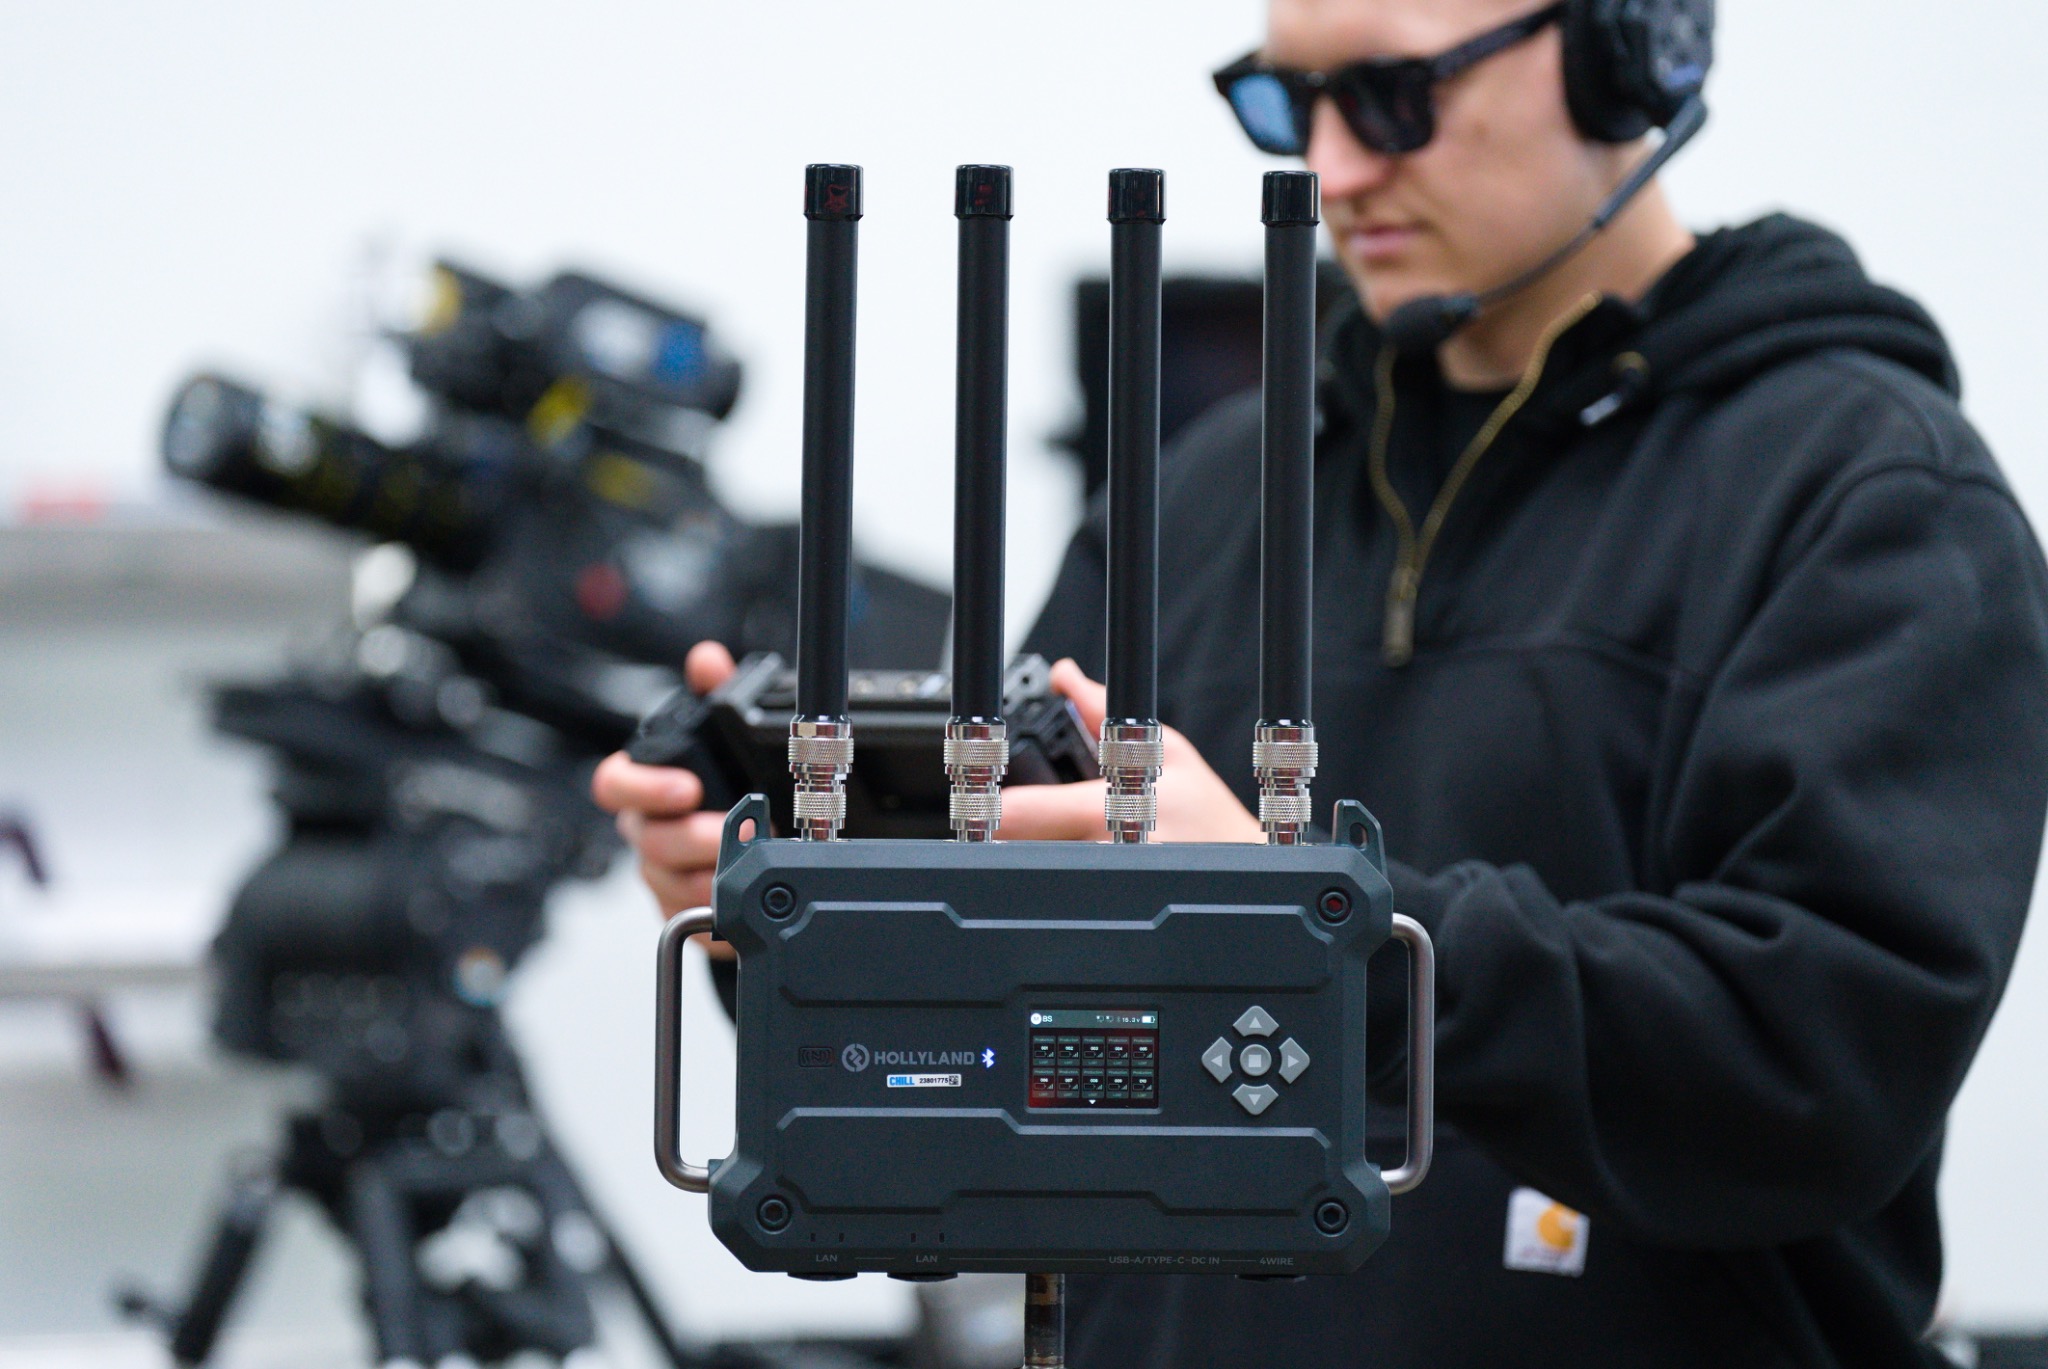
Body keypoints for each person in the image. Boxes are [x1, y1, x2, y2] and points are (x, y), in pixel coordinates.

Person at [595, 0, 2048, 1362]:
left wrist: (1313, 931)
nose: (1334, 166)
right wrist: (793, 927)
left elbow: (1817, 1068)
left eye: (1396, 96)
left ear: (1635, 49)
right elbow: (1016, 1039)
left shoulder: (1870, 496)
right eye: (1287, 101)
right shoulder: (1207, 494)